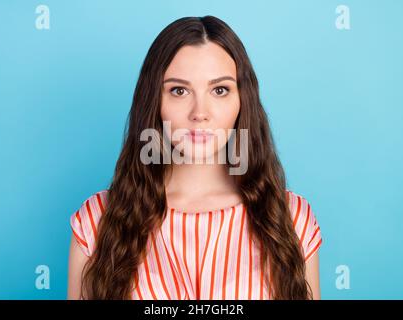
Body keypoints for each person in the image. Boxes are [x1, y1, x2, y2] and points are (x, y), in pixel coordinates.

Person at [67, 15, 323, 300]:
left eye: (219, 90)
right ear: (154, 101)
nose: (199, 112)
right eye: (179, 90)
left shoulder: (291, 218)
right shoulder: (96, 221)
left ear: (242, 101)